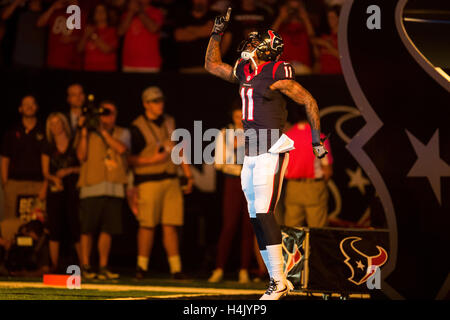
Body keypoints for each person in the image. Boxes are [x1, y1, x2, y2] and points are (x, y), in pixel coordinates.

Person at [204, 8, 328, 299]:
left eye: (254, 42)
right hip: (251, 154)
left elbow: (308, 100)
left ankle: (278, 280)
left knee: (264, 212)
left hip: (272, 149)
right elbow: (212, 65)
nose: (249, 45)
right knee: (256, 216)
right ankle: (278, 279)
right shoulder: (246, 70)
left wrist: (316, 140)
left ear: (267, 49)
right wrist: (216, 32)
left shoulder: (277, 72)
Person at [129, 86, 193, 280]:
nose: (160, 104)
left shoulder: (169, 121)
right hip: (148, 181)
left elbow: (179, 149)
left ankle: (176, 268)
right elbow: (128, 159)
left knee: (171, 225)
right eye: (155, 101)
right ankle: (142, 266)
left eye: (161, 100)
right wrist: (152, 161)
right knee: (147, 225)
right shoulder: (136, 127)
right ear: (145, 104)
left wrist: (188, 175)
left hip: (171, 179)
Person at [76, 100, 130, 280]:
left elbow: (122, 149)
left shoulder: (123, 132)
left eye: (110, 113)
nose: (107, 116)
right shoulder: (88, 133)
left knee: (108, 229)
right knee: (87, 229)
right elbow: (81, 156)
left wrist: (103, 132)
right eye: (104, 113)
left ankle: (103, 266)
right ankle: (85, 266)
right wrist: (84, 132)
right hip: (91, 185)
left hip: (114, 186)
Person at [208, 104, 253, 283]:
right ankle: (219, 268)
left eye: (242, 115)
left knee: (249, 226)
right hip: (233, 179)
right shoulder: (225, 132)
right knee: (229, 225)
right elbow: (218, 162)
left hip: (250, 179)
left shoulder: (255, 131)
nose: (239, 118)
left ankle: (244, 270)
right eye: (236, 115)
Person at [0, 95, 45, 241]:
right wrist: (6, 182)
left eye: (32, 104)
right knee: (11, 221)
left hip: (37, 184)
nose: (29, 107)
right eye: (26, 104)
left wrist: (45, 184)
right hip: (15, 183)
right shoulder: (12, 133)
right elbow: (5, 159)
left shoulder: (44, 131)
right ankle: (10, 255)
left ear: (37, 107)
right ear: (20, 109)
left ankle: (35, 257)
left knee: (36, 221)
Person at [41, 112, 81, 273]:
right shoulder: (47, 146)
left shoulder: (74, 144)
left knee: (75, 226)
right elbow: (45, 172)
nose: (55, 126)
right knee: (55, 227)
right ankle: (54, 265)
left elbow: (83, 166)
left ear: (64, 124)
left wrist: (69, 170)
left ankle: (83, 264)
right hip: (55, 191)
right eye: (52, 124)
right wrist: (54, 178)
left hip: (72, 189)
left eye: (58, 123)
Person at [282, 111, 333, 227]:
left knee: (292, 230)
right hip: (314, 188)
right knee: (318, 230)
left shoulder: (287, 137)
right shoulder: (317, 138)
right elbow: (327, 168)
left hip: (293, 188)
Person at [36, 0, 84, 70]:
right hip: (53, 62)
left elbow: (87, 36)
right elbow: (39, 23)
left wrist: (72, 39)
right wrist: (53, 7)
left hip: (72, 64)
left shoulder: (82, 14)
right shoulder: (57, 12)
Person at [118, 0, 164, 72]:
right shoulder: (127, 13)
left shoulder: (156, 12)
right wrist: (131, 12)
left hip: (149, 64)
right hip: (129, 63)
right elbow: (120, 32)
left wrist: (139, 11)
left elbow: (153, 28)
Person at [271, 0, 315, 75]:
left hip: (302, 66)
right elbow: (270, 36)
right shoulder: (281, 26)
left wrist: (305, 17)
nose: (293, 13)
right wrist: (280, 18)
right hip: (284, 66)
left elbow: (312, 37)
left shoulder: (305, 25)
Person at [1, 0, 45, 68]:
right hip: (19, 59)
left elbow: (39, 23)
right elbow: (4, 15)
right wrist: (17, 2)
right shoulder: (20, 12)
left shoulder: (46, 14)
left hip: (36, 61)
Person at [174, 0, 214, 72]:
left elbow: (210, 31)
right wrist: (203, 30)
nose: (200, 1)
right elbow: (179, 35)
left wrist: (188, 30)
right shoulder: (183, 17)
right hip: (185, 67)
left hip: (209, 68)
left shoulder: (214, 15)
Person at [78, 2, 119, 72]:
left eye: (102, 11)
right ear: (93, 15)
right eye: (97, 11)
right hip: (89, 69)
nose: (100, 13)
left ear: (107, 14)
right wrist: (85, 36)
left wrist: (93, 35)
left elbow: (107, 49)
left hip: (107, 70)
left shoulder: (113, 31)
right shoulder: (88, 30)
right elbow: (79, 49)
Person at [311, 5, 341, 74]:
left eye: (332, 17)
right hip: (324, 75)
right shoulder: (325, 37)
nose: (330, 20)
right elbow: (318, 57)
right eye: (329, 18)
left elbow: (344, 58)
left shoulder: (342, 39)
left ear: (339, 18)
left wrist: (328, 46)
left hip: (338, 75)